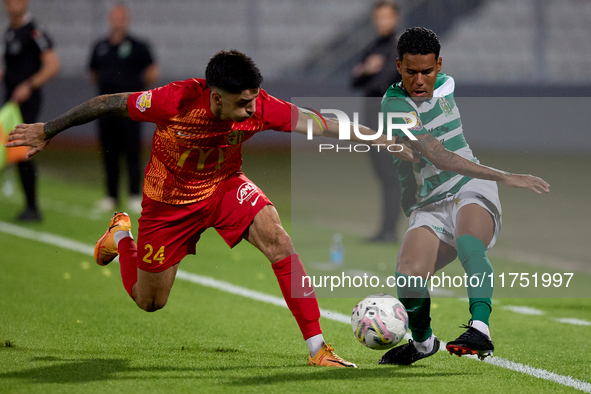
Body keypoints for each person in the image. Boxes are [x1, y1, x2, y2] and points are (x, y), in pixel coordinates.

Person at [6, 50, 416, 368]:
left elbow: (322, 122)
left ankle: (318, 348)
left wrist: (381, 138)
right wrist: (48, 129)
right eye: (242, 104)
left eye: (254, 100)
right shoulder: (175, 100)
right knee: (149, 301)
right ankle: (122, 236)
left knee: (278, 240)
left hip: (223, 188)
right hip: (168, 205)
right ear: (215, 98)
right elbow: (106, 102)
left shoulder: (260, 106)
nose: (251, 110)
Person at [377, 27, 550, 365]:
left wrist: (493, 178)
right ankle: (424, 343)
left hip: (470, 184)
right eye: (411, 72)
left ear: (439, 65)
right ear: (398, 67)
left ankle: (480, 330)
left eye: (427, 71)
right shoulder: (395, 105)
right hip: (429, 203)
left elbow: (447, 156)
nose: (420, 80)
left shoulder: (446, 84)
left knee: (469, 241)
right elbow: (438, 156)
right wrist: (506, 176)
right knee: (408, 276)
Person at [89, 3, 159, 213]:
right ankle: (111, 195)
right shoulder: (100, 46)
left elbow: (152, 72)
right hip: (106, 110)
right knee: (109, 151)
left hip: (130, 110)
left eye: (121, 17)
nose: (118, 21)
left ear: (126, 20)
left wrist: (134, 92)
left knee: (132, 151)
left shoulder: (138, 46)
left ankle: (134, 194)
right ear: (110, 19)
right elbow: (93, 72)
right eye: (115, 17)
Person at [1, 0, 60, 221]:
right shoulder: (9, 32)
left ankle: (33, 207)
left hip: (27, 102)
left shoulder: (34, 32)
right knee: (12, 151)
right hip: (11, 103)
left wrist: (29, 85)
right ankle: (30, 205)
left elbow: (53, 65)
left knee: (22, 150)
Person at [351, 0, 402, 243]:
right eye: (379, 17)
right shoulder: (373, 46)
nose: (383, 22)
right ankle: (386, 230)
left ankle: (390, 231)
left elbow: (383, 84)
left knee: (391, 175)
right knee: (384, 174)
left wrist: (368, 72)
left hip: (389, 119)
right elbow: (355, 82)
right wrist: (365, 71)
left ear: (395, 19)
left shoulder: (398, 48)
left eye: (387, 17)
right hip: (373, 119)